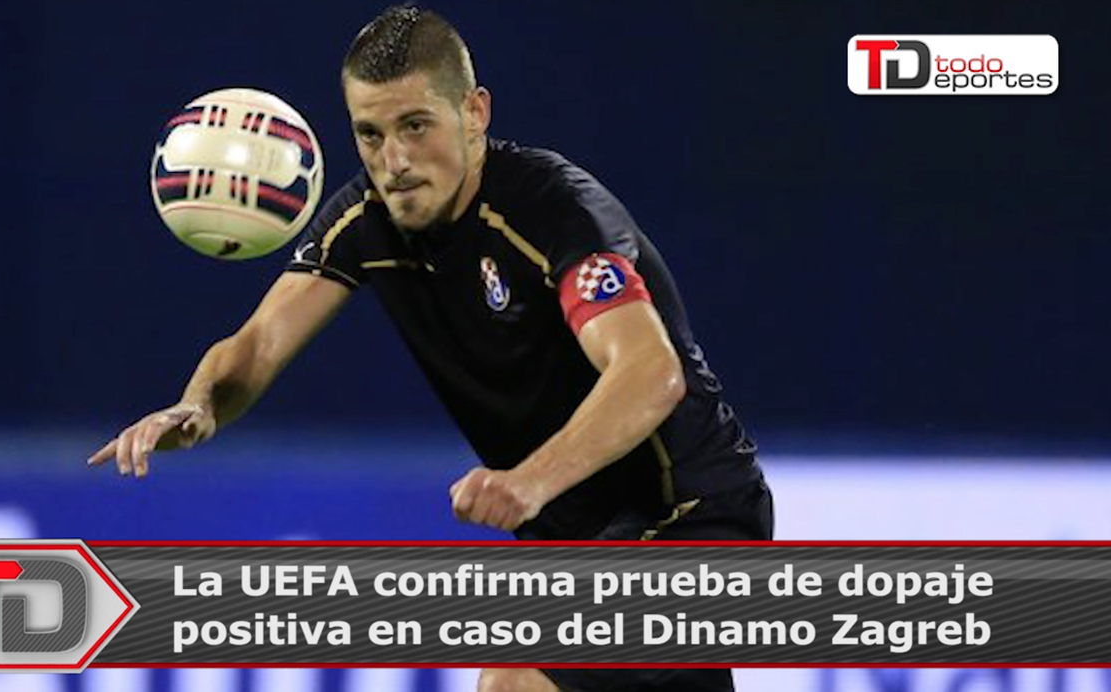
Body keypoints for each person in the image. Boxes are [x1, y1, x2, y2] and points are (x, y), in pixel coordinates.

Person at [89, 5, 773, 690]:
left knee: (513, 683)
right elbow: (260, 340)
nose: (394, 161)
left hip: (692, 520)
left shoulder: (554, 211)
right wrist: (199, 404)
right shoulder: (365, 222)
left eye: (416, 126)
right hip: (578, 541)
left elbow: (649, 373)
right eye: (370, 134)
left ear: (474, 112)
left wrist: (528, 481)